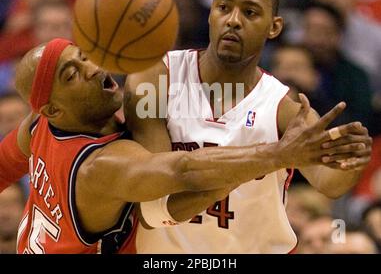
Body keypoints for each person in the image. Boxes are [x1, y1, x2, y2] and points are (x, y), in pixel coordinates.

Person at [0, 39, 365, 254]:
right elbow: (183, 171)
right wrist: (281, 155)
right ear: (54, 108)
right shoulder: (100, 166)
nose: (92, 69)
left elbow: (3, 165)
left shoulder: (38, 125)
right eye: (72, 75)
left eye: (82, 56)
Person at [125, 0, 372, 253]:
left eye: (250, 12)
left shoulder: (285, 109)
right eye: (223, 7)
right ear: (210, 13)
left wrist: (349, 160)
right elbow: (155, 209)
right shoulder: (157, 78)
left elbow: (330, 183)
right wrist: (272, 158)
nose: (233, 20)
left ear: (274, 26)